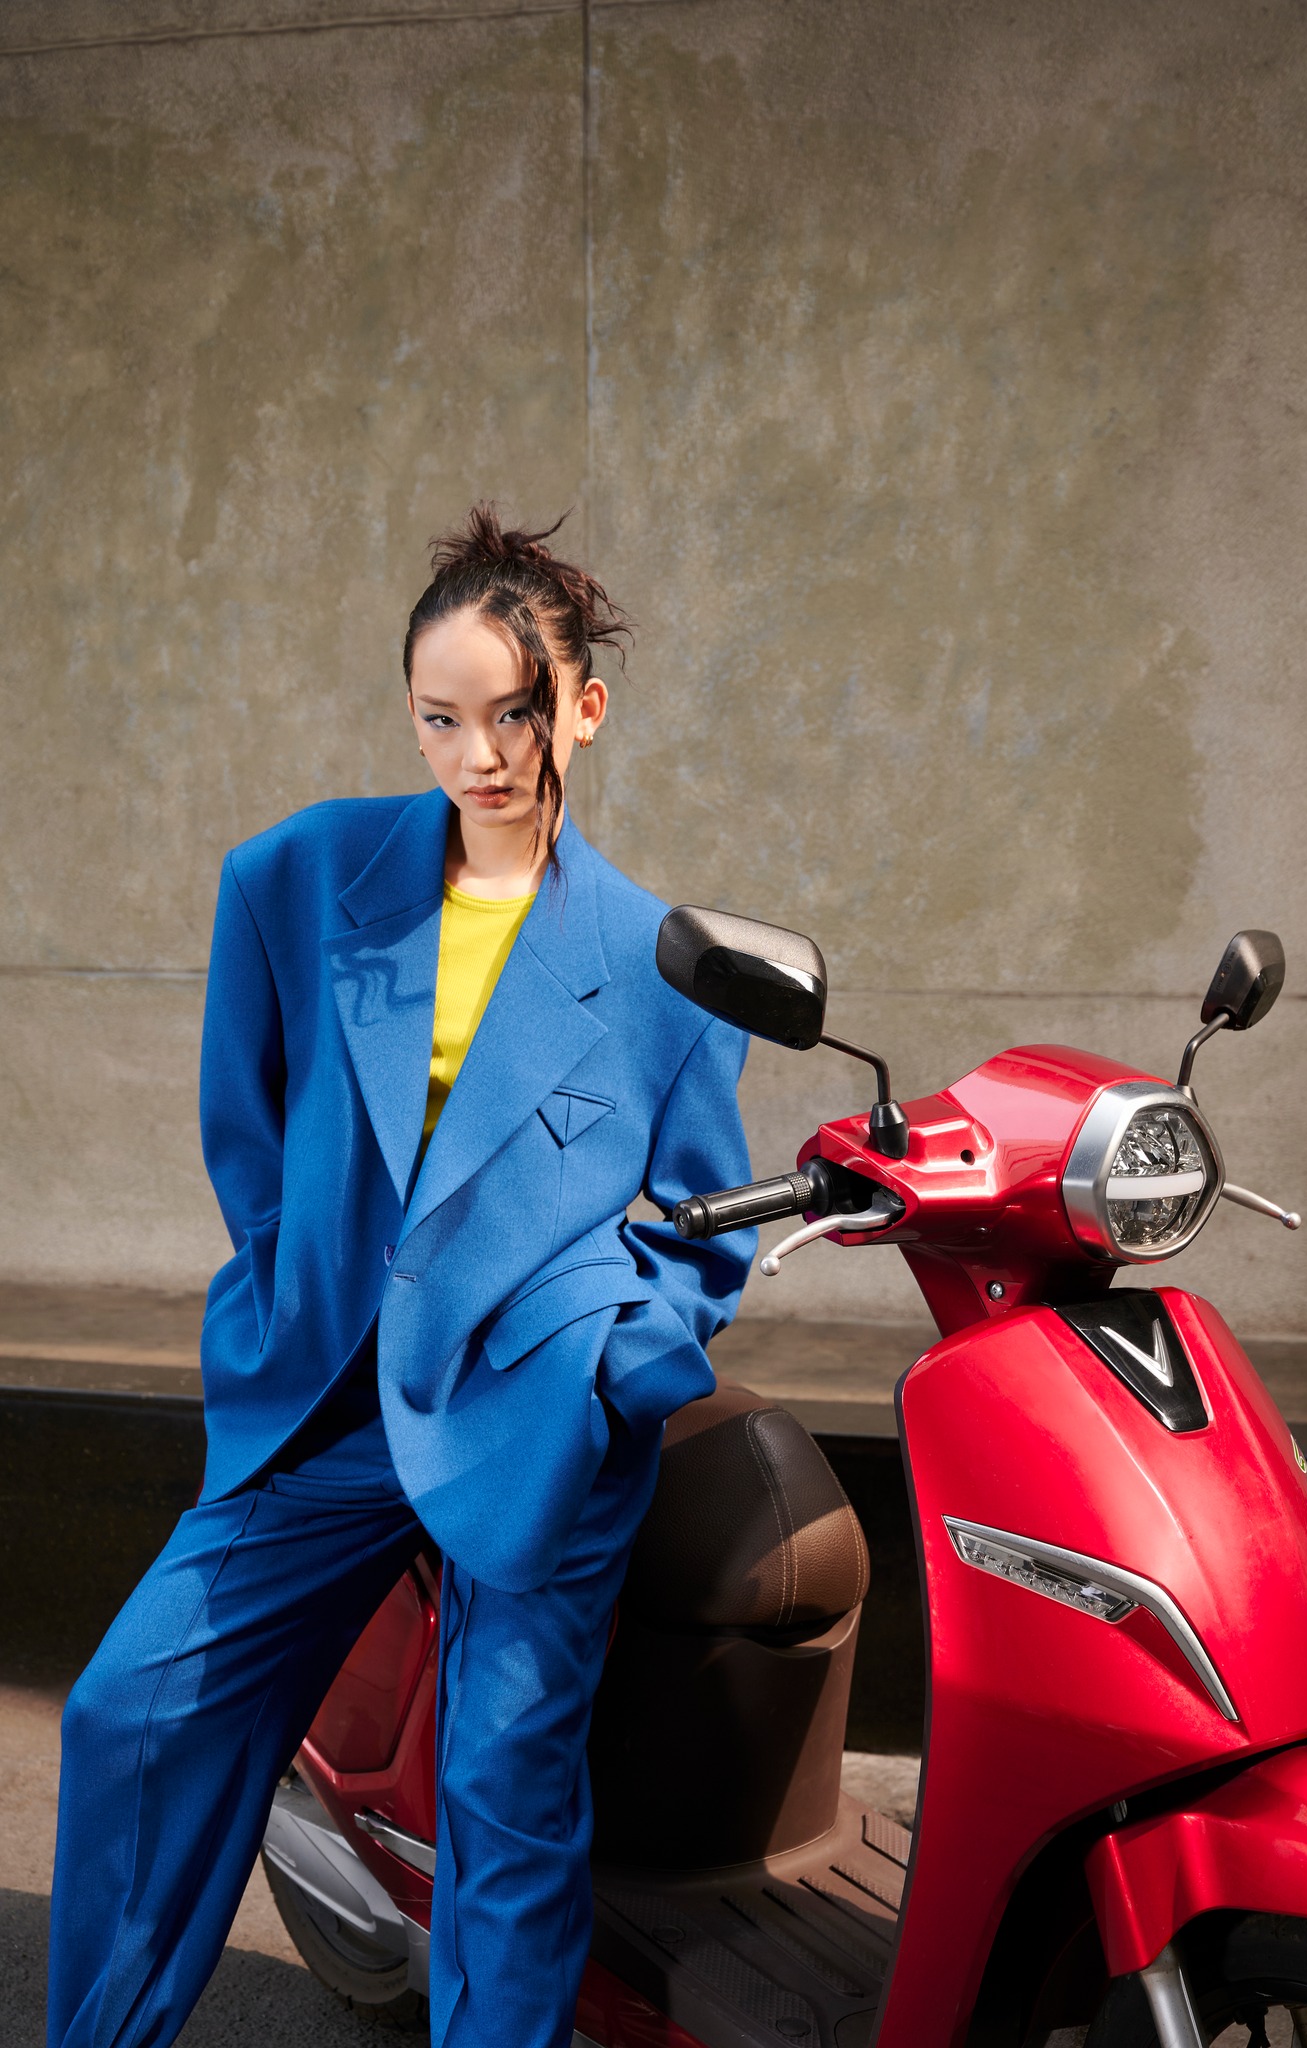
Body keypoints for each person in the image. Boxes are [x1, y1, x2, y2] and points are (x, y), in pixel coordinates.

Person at [47, 507, 755, 2048]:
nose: (477, 755)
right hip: (325, 1400)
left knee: (504, 1792)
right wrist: (289, 1289)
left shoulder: (662, 967)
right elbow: (245, 1131)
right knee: (129, 1713)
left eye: (514, 713)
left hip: (533, 1415)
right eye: (441, 718)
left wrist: (612, 1357)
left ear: (584, 706)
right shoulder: (294, 878)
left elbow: (709, 1223)